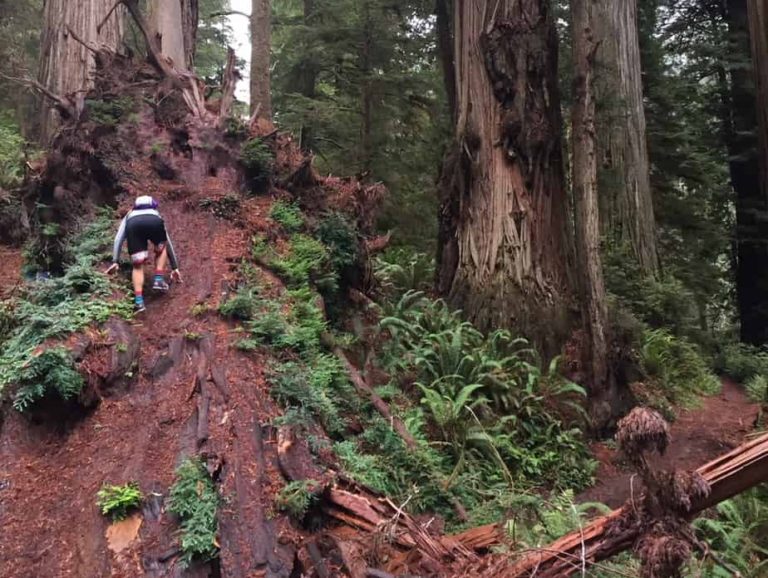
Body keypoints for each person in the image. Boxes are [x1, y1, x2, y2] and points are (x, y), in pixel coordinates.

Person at [106, 195, 182, 313]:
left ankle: (139, 302)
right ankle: (158, 279)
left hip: (133, 225)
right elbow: (167, 242)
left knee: (137, 266)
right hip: (154, 223)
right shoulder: (155, 214)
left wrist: (115, 261)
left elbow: (118, 239)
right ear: (153, 205)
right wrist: (174, 267)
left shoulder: (129, 215)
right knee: (161, 249)